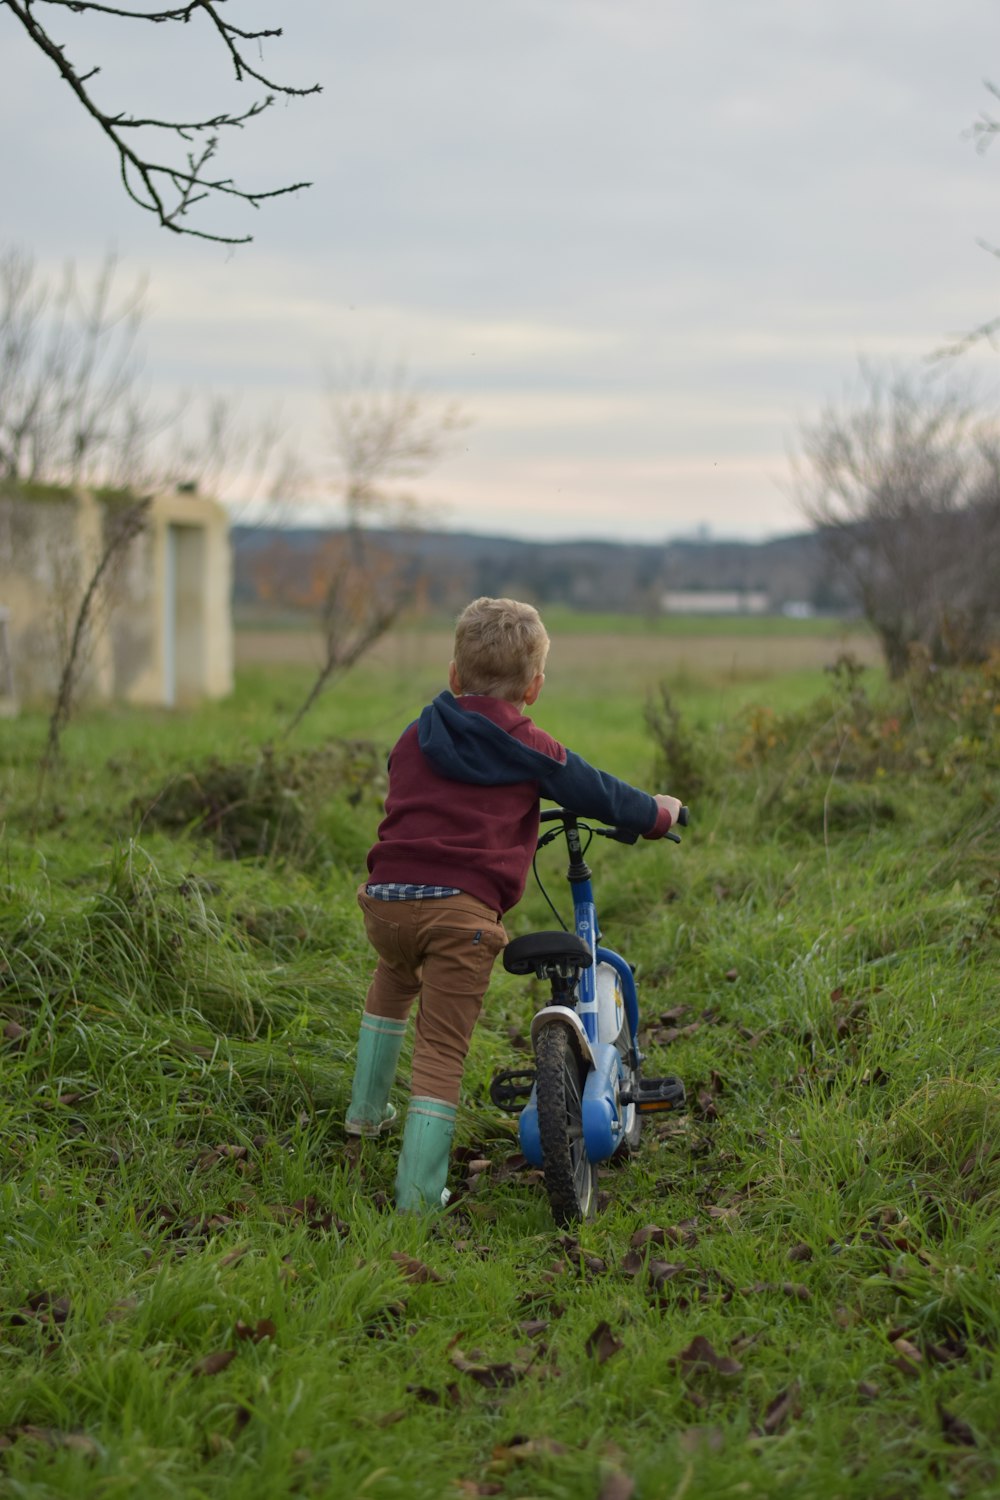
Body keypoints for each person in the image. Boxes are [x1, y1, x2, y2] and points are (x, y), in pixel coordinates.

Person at [345, 596, 683, 1210]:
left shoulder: (415, 734)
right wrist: (657, 813)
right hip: (458, 918)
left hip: (387, 903)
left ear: (453, 675)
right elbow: (597, 790)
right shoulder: (528, 746)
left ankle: (365, 1115)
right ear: (534, 687)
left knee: (393, 983)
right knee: (442, 1049)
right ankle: (418, 1197)